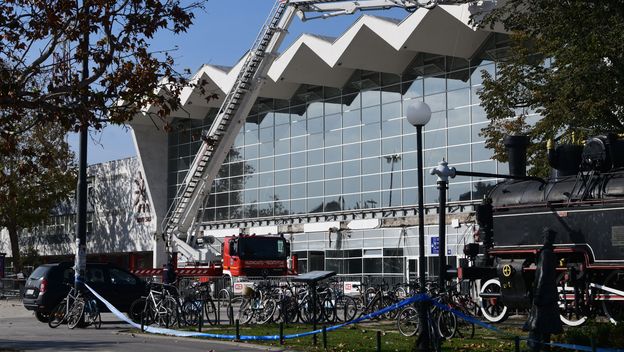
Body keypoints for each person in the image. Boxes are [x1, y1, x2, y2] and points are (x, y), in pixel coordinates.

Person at [524, 227, 563, 351]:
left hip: (543, 293)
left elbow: (542, 274)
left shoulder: (545, 253)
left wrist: (538, 294)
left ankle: (533, 347)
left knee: (537, 322)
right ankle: (544, 347)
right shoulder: (551, 253)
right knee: (546, 324)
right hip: (550, 294)